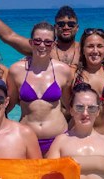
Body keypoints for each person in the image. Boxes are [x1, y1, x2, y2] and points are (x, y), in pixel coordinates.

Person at [0, 0, 104, 64]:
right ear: (55, 27)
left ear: (77, 28)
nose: (66, 27)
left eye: (71, 24)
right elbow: (9, 36)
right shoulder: (42, 48)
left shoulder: (88, 51)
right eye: (61, 24)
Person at [7, 22, 74, 155]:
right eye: (38, 41)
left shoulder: (63, 70)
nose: (42, 45)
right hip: (27, 140)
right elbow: (7, 107)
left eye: (47, 42)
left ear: (54, 45)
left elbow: (71, 106)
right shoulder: (16, 70)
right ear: (31, 43)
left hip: (58, 140)